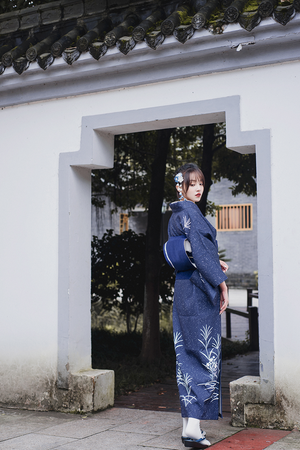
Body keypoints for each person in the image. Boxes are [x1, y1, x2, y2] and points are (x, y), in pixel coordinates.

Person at [166, 163, 229, 449]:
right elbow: (201, 255)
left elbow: (192, 252)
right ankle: (193, 427)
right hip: (198, 292)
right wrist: (222, 282)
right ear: (182, 186)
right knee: (204, 354)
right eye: (192, 184)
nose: (198, 188)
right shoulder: (191, 213)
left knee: (188, 355)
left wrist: (214, 262)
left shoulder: (177, 214)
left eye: (200, 182)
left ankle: (188, 426)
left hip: (183, 289)